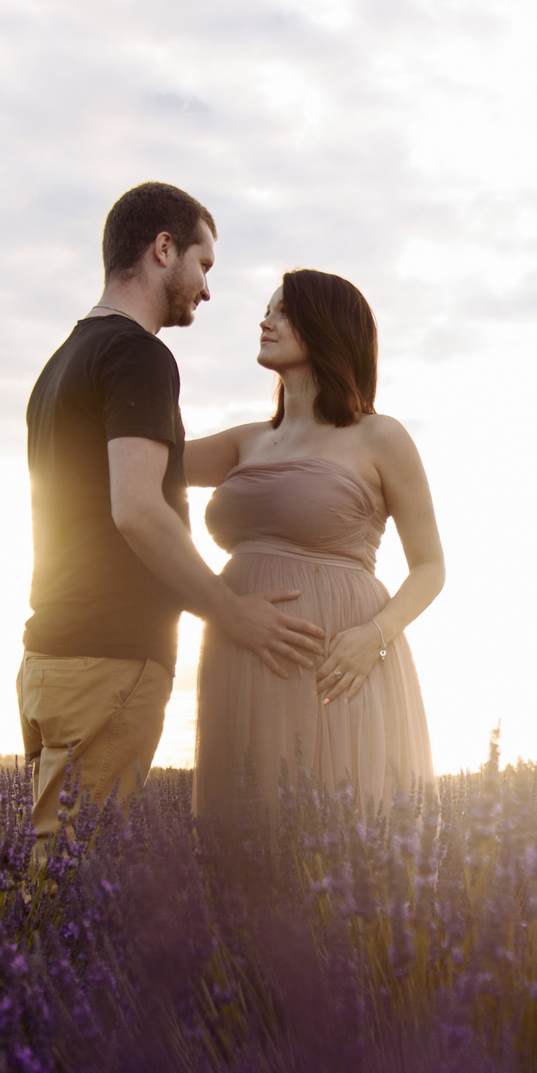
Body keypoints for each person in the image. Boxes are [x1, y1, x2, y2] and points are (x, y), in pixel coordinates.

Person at [17, 183, 325, 862]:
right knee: (72, 890)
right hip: (110, 661)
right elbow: (136, 507)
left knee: (51, 870)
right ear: (163, 249)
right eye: (204, 264)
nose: (207, 291)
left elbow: (140, 481)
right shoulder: (140, 356)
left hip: (51, 660)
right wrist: (230, 611)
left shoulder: (63, 362)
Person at [187, 269, 443, 820]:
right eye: (268, 309)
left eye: (282, 311)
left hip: (340, 660)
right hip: (241, 652)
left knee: (344, 839)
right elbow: (139, 460)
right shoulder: (246, 440)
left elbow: (430, 568)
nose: (265, 320)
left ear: (325, 327)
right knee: (245, 837)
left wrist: (373, 637)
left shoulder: (379, 437)